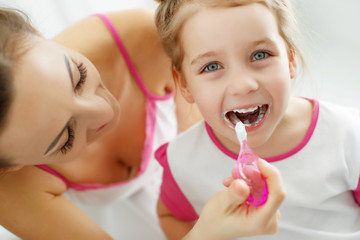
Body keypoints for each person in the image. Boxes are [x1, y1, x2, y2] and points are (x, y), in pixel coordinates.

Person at [0, 6, 285, 240]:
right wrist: (206, 234)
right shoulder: (10, 192)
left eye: (79, 77)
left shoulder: (142, 37)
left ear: (38, 34)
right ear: (10, 166)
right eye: (66, 138)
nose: (106, 112)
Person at [153, 0, 360, 239]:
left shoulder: (348, 137)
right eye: (211, 66)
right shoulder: (182, 160)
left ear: (291, 60)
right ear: (185, 85)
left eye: (260, 55)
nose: (243, 85)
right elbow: (172, 216)